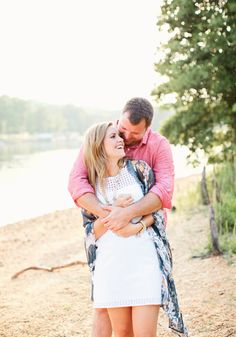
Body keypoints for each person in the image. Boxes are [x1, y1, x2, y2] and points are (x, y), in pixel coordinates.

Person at [68, 97, 174, 336]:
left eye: (132, 133)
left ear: (147, 129)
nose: (124, 137)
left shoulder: (154, 150)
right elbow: (76, 184)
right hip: (110, 258)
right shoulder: (100, 138)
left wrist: (129, 218)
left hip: (143, 250)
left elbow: (163, 192)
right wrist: (110, 214)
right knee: (107, 316)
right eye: (121, 129)